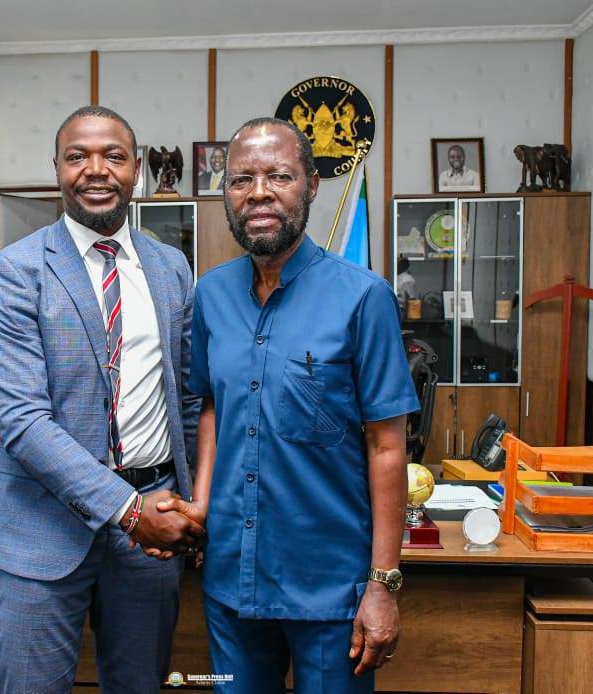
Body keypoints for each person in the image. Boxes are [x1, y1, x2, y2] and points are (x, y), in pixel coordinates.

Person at [157, 117, 419, 693]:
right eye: (241, 180)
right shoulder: (211, 294)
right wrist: (202, 504)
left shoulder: (363, 297)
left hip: (329, 586)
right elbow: (211, 407)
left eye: (279, 176)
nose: (259, 193)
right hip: (231, 577)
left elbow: (387, 446)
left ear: (312, 185)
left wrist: (383, 584)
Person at [0, 105, 203, 694]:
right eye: (78, 156)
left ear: (137, 170)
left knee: (140, 686)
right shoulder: (13, 271)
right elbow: (22, 422)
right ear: (57, 168)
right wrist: (128, 511)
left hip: (154, 522)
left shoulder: (171, 267)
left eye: (113, 156)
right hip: (43, 527)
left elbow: (186, 398)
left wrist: (194, 506)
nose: (96, 170)